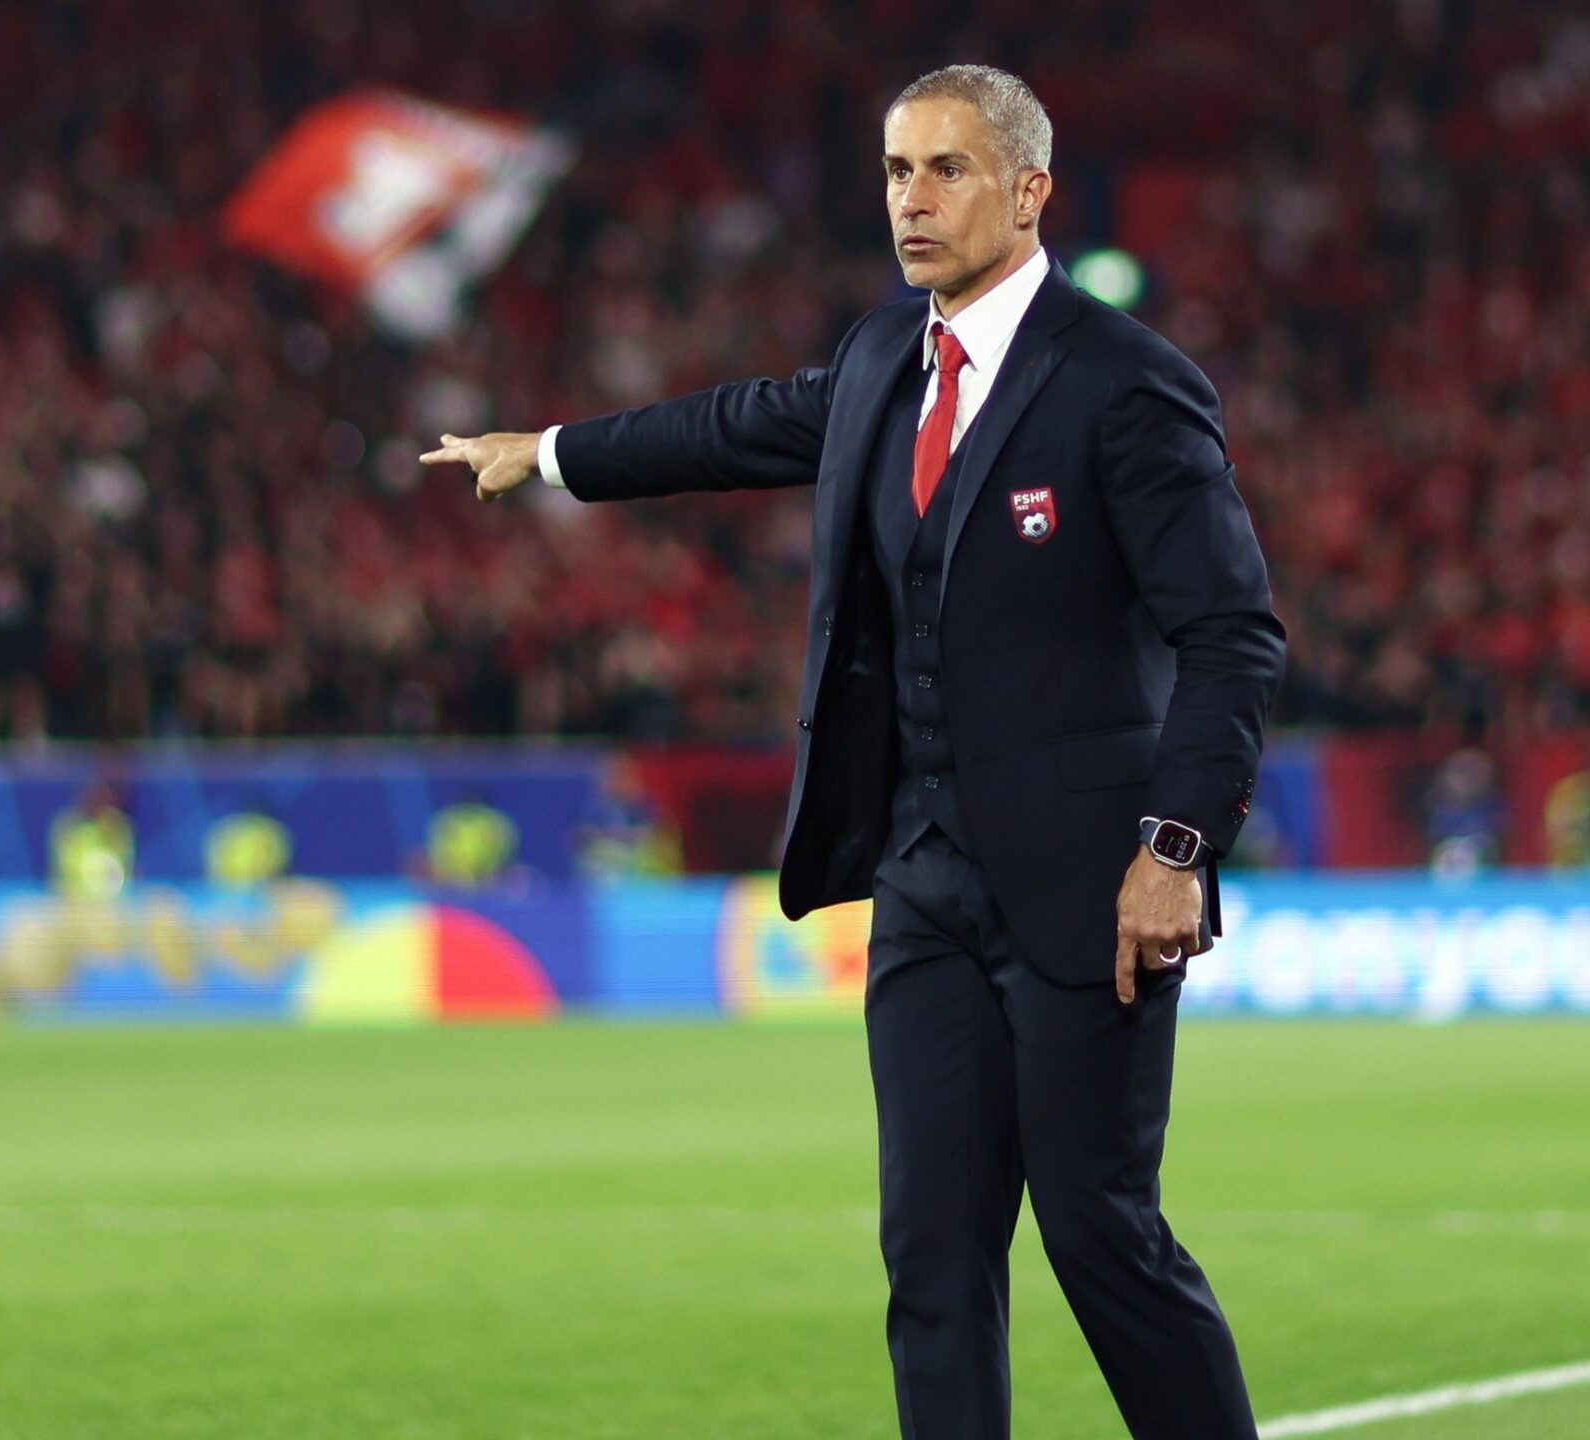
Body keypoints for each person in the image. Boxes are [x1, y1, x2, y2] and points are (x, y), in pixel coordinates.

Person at [421, 64, 1282, 1440]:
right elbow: (734, 427)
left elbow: (1233, 635)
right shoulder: (887, 359)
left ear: (1029, 191)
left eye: (946, 169)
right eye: (894, 172)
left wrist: (1175, 849)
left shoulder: (1126, 383)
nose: (911, 200)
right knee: (931, 1259)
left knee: (1100, 1239)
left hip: (1088, 889)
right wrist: (555, 451)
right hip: (924, 882)